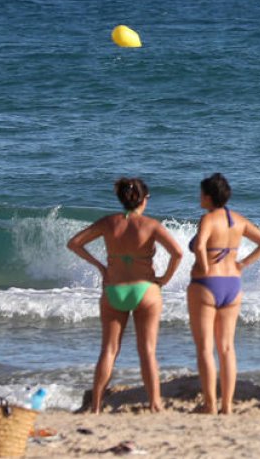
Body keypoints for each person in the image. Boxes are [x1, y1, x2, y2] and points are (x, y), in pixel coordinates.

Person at [67, 177, 183, 413]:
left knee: (109, 350)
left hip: (114, 289)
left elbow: (74, 243)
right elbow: (178, 253)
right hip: (146, 289)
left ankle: (96, 406)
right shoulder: (151, 225)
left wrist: (100, 267)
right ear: (144, 199)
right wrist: (164, 279)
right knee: (147, 351)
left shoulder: (109, 222)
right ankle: (155, 404)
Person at [187, 172, 260, 414]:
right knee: (226, 347)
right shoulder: (238, 219)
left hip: (206, 284)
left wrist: (204, 266)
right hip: (232, 285)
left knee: (205, 348)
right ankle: (226, 405)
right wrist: (242, 264)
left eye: (201, 193)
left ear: (208, 196)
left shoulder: (208, 219)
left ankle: (210, 405)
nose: (199, 197)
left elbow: (200, 245)